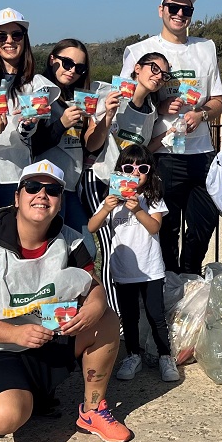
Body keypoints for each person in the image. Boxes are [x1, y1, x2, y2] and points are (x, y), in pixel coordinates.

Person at [0, 160, 132, 442]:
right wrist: (14, 333)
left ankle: (92, 410)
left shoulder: (71, 242)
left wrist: (94, 305)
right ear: (16, 198)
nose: (42, 195)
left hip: (46, 338)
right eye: (32, 187)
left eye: (53, 190)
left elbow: (93, 286)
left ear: (59, 200)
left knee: (106, 319)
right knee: (8, 417)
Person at [122, 0, 222, 277]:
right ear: (161, 11)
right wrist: (159, 103)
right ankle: (168, 282)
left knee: (205, 221)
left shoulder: (206, 48)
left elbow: (217, 100)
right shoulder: (139, 50)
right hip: (162, 152)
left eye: (186, 10)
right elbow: (126, 98)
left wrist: (201, 114)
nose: (180, 14)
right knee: (166, 226)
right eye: (173, 8)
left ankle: (189, 273)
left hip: (201, 151)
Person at [79, 51, 170, 311]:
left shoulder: (151, 110)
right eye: (153, 68)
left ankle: (122, 309)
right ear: (137, 68)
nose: (158, 76)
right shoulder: (112, 96)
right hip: (100, 179)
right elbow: (91, 144)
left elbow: (143, 150)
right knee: (107, 244)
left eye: (164, 74)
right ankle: (113, 311)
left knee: (123, 242)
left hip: (129, 187)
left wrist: (168, 136)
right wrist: (107, 118)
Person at [86, 145, 178, 383]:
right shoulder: (112, 200)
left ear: (150, 172)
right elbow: (92, 227)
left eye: (142, 168)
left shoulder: (152, 197)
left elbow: (154, 227)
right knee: (128, 315)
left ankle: (165, 356)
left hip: (150, 269)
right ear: (120, 172)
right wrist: (106, 207)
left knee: (155, 315)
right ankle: (133, 355)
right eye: (128, 168)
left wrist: (137, 209)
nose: (135, 173)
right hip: (123, 270)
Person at [0, 7, 58, 236]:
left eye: (16, 35)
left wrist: (27, 125)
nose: (9, 41)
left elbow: (29, 133)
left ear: (25, 40)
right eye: (1, 36)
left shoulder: (37, 84)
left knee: (10, 245)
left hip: (15, 179)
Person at [31, 38, 109, 248]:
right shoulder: (40, 91)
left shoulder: (80, 98)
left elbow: (88, 146)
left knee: (86, 250)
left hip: (72, 187)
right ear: (52, 59)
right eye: (67, 63)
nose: (72, 70)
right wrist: (62, 123)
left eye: (80, 67)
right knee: (51, 249)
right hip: (44, 188)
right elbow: (32, 145)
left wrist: (106, 117)